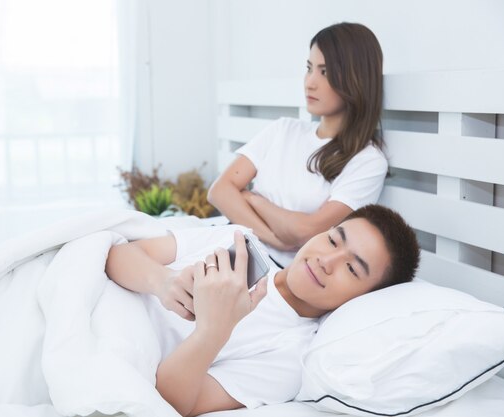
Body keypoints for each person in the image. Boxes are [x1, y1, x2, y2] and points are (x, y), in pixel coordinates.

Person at [104, 204, 420, 416]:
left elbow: (174, 402)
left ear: (361, 300)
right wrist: (165, 281)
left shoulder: (291, 358)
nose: (327, 260)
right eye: (334, 240)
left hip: (111, 355)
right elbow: (118, 255)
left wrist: (213, 330)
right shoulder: (238, 241)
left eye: (352, 269)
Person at [208, 22, 387, 267]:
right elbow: (219, 191)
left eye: (325, 72)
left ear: (356, 78)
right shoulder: (284, 129)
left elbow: (306, 231)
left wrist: (252, 199)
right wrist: (273, 236)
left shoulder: (367, 161)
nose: (309, 82)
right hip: (227, 241)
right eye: (309, 68)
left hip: (271, 268)